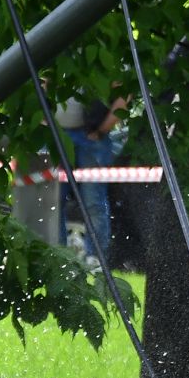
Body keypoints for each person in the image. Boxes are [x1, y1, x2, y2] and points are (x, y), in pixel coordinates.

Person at [55, 93, 129, 263]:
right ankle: (57, 259)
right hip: (55, 132)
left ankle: (96, 260)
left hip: (92, 136)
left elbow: (124, 94)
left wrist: (101, 130)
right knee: (52, 201)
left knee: (93, 201)